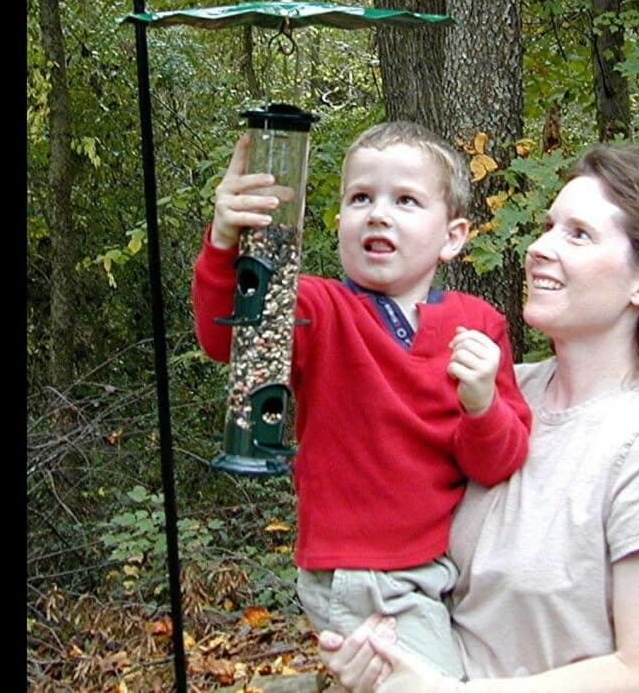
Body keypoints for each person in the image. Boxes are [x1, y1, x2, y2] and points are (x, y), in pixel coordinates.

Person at [319, 142, 639, 693]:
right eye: (548, 226)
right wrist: (376, 658)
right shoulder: (497, 392)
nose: (540, 248)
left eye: (578, 235)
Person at [192, 120, 533, 678]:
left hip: (444, 568)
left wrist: (481, 405)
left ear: (453, 235)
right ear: (340, 222)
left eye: (405, 200)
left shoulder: (478, 325)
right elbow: (226, 335)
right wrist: (226, 239)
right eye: (360, 198)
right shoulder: (318, 308)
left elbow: (498, 461)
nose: (378, 213)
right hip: (363, 574)